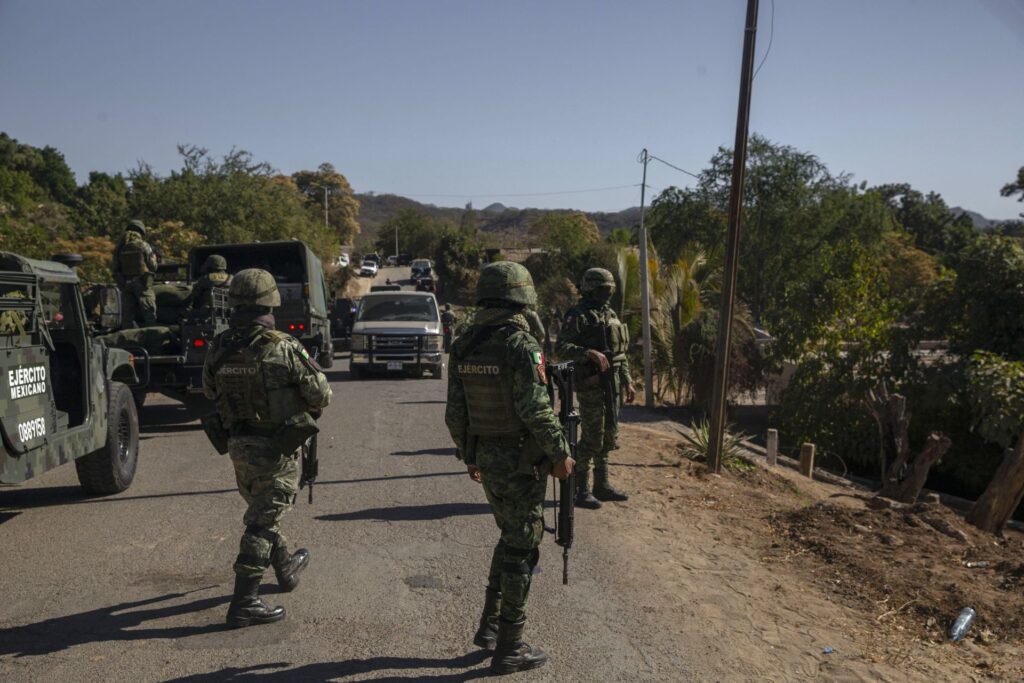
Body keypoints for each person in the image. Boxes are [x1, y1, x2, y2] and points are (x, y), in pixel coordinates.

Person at [445, 261, 574, 675]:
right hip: (522, 460)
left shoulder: (464, 343)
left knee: (510, 535)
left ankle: (489, 627)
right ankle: (510, 646)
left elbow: (455, 413)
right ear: (522, 296)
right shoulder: (521, 345)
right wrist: (560, 453)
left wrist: (469, 454)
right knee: (522, 545)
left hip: (486, 457)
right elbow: (535, 408)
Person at [202, 268, 333, 629]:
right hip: (276, 448)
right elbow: (322, 395)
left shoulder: (219, 345)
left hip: (238, 446)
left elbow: (210, 392)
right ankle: (244, 602)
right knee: (262, 523)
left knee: (265, 509)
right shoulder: (284, 345)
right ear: (271, 303)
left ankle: (286, 567)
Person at [556, 267, 634, 509]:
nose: (607, 293)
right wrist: (586, 353)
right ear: (590, 288)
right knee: (592, 436)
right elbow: (561, 347)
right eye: (603, 289)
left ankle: (603, 485)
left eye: (609, 289)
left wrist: (629, 380)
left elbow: (620, 354)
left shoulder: (610, 313)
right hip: (592, 385)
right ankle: (581, 490)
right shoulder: (578, 315)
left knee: (609, 434)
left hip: (615, 383)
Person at [111, 219, 158, 328]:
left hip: (125, 284)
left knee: (127, 316)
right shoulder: (143, 245)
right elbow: (153, 266)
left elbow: (115, 268)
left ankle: (127, 339)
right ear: (141, 232)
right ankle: (153, 338)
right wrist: (155, 259)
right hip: (142, 284)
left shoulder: (119, 247)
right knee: (149, 313)